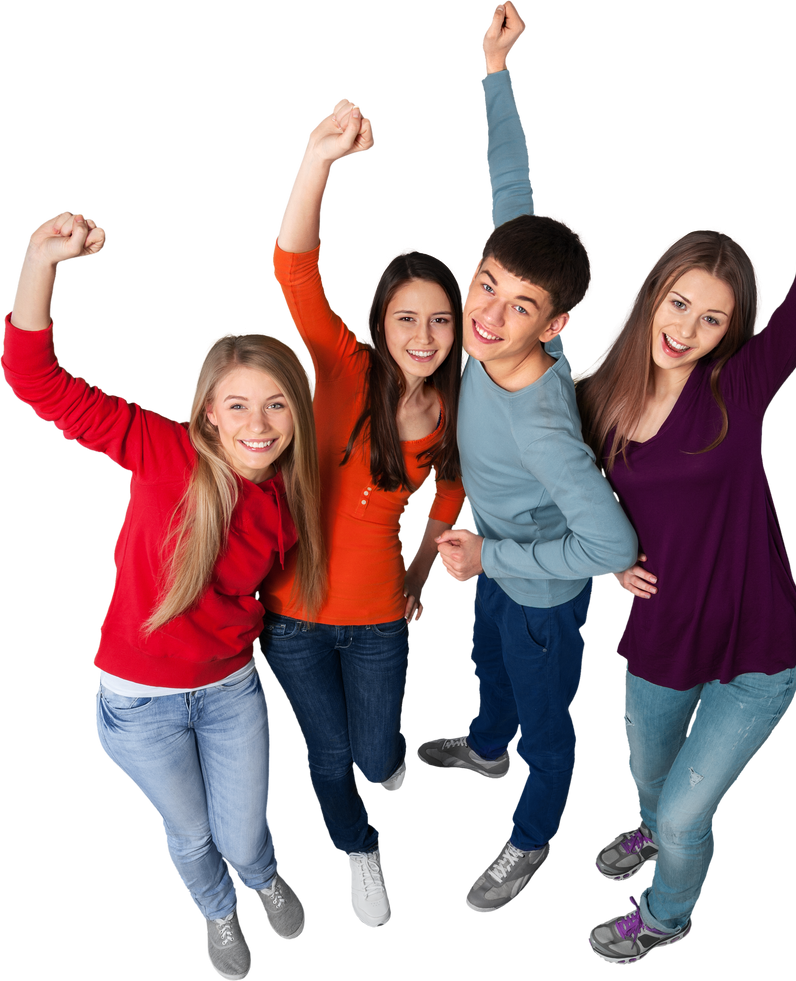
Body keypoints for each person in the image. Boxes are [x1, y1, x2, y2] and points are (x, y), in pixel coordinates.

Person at [572, 79, 796, 964]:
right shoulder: (592, 398)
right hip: (658, 639)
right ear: (652, 295)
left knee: (682, 815)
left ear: (732, 330)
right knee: (645, 783)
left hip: (757, 651)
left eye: (714, 318)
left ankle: (667, 911)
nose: (689, 327)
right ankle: (648, 826)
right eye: (679, 304)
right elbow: (558, 498)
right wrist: (601, 559)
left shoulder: (735, 390)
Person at [2, 210, 327, 981]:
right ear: (209, 409)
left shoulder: (289, 492)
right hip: (140, 704)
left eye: (277, 404)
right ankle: (218, 909)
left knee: (246, 833)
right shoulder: (165, 451)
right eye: (239, 405)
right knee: (190, 834)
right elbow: (33, 379)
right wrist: (39, 258)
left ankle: (261, 877)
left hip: (230, 690)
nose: (259, 423)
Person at [414, 1, 638, 915]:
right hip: (494, 559)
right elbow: (511, 180)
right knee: (485, 664)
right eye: (485, 284)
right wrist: (494, 70)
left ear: (554, 327)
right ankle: (484, 745)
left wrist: (492, 556)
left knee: (548, 726)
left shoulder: (546, 429)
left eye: (516, 307)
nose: (485, 313)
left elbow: (614, 548)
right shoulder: (498, 292)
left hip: (541, 582)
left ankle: (530, 837)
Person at [256, 99, 467, 930]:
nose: (422, 333)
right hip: (293, 619)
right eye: (405, 317)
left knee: (380, 755)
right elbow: (293, 268)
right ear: (378, 321)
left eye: (439, 319)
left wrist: (421, 570)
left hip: (382, 618)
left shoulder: (455, 415)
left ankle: (375, 777)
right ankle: (360, 849)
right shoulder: (342, 369)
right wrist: (317, 156)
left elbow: (448, 497)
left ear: (457, 331)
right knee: (331, 756)